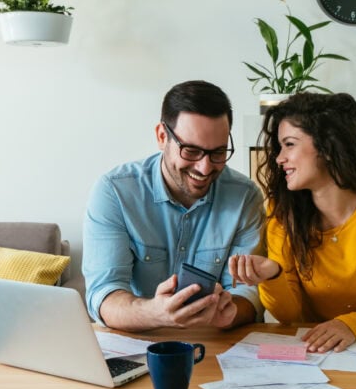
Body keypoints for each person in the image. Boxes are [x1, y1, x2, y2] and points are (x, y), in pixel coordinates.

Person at [229, 92, 356, 352]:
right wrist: (273, 275)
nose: (279, 158)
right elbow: (289, 316)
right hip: (316, 352)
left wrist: (351, 325)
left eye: (289, 144)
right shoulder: (283, 215)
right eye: (280, 147)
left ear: (327, 146)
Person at [83, 80, 265, 332]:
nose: (205, 168)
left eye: (218, 152)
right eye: (191, 151)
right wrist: (155, 313)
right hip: (138, 341)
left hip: (214, 343)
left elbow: (249, 293)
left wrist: (232, 311)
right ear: (161, 136)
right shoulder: (115, 192)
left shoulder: (245, 197)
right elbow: (103, 294)